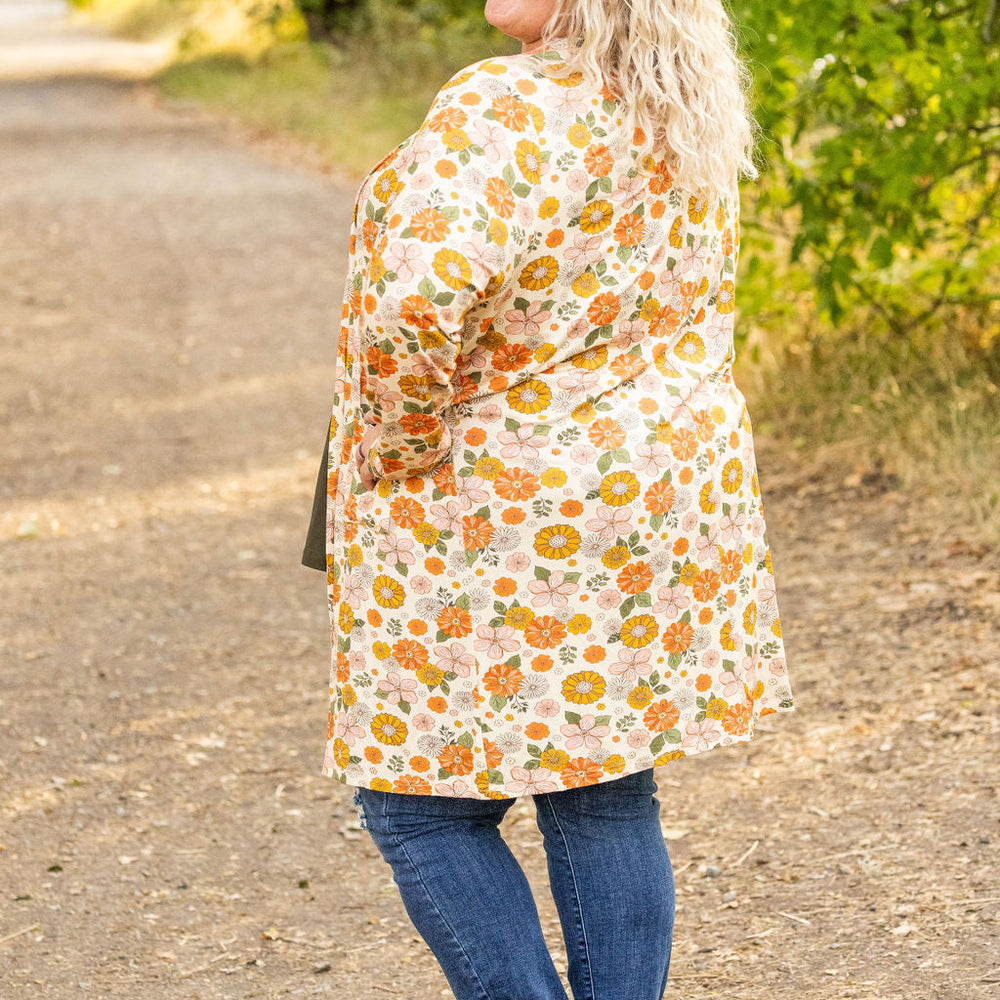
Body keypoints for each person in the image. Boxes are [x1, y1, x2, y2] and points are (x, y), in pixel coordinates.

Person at [301, 1, 797, 996]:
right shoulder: (676, 105)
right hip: (651, 489)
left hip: (507, 503)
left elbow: (411, 299)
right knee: (602, 785)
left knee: (416, 804)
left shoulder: (504, 104)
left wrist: (395, 451)